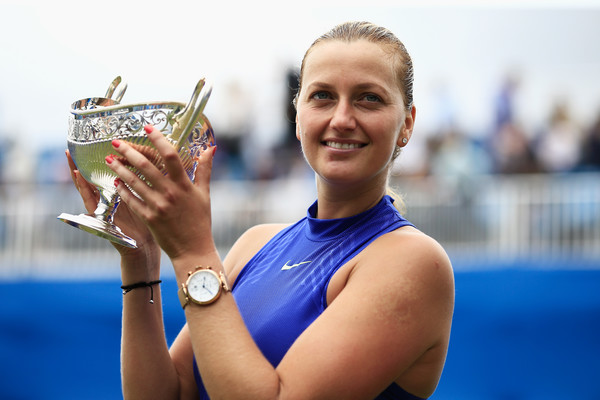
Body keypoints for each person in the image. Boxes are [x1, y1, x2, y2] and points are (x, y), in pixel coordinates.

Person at [67, 21, 454, 400]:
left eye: (369, 97)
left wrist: (193, 253)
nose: (341, 119)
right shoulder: (255, 243)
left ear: (407, 124)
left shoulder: (413, 262)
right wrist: (141, 257)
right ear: (298, 118)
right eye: (322, 96)